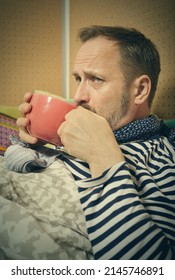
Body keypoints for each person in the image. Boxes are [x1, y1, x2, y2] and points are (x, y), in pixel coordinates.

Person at [5, 26, 175, 259]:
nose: (78, 96)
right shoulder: (69, 139)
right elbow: (13, 167)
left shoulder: (164, 161)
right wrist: (32, 145)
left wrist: (103, 158)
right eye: (78, 79)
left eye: (96, 79)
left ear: (140, 90)